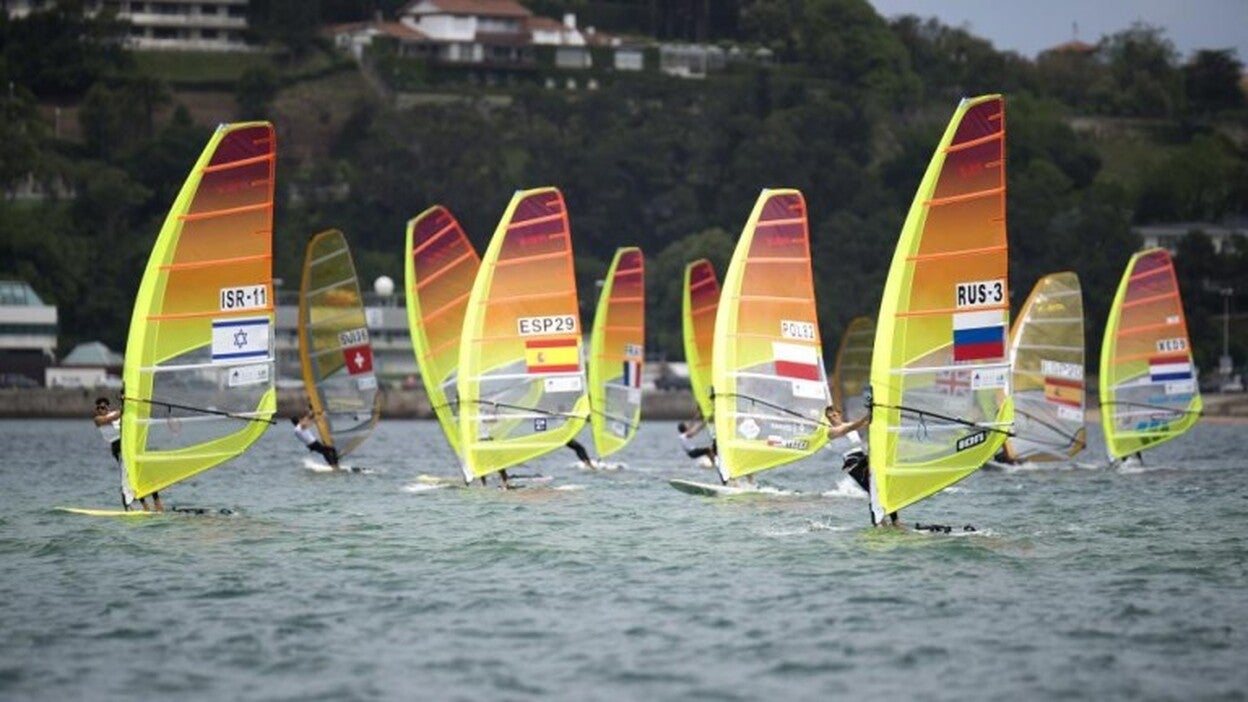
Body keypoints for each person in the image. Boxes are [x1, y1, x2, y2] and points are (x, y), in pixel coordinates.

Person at [824, 404, 896, 527]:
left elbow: (867, 423)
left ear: (840, 414)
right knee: (873, 490)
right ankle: (880, 522)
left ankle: (893, 521)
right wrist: (867, 415)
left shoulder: (850, 425)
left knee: (882, 487)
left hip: (864, 458)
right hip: (853, 464)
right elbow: (852, 427)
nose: (832, 418)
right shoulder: (831, 432)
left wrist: (878, 412)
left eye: (834, 415)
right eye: (829, 417)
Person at [93, 397, 161, 512]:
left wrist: (129, 407)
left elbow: (127, 418)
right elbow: (112, 417)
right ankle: (141, 506)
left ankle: (157, 502)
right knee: (128, 476)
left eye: (103, 407)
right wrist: (125, 408)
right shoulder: (98, 419)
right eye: (98, 408)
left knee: (143, 472)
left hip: (128, 443)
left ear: (107, 407)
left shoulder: (116, 414)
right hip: (117, 447)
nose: (100, 410)